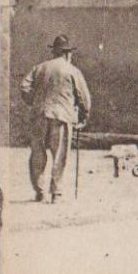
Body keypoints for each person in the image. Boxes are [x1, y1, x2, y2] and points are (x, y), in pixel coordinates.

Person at [20, 34, 91, 204]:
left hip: (39, 115)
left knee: (37, 153)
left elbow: (24, 86)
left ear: (54, 52)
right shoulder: (72, 70)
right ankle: (56, 194)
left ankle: (40, 191)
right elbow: (85, 98)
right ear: (67, 53)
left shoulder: (40, 67)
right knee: (59, 155)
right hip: (61, 116)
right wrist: (83, 116)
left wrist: (33, 101)